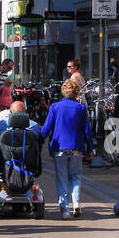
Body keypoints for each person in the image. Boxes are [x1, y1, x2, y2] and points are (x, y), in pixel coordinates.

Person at [40, 74, 93, 218]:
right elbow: (87, 131)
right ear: (76, 92)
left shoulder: (55, 107)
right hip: (76, 147)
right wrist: (90, 149)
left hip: (59, 149)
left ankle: (64, 210)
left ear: (63, 91)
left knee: (62, 178)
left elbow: (46, 128)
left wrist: (39, 141)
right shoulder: (81, 108)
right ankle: (76, 202)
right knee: (75, 176)